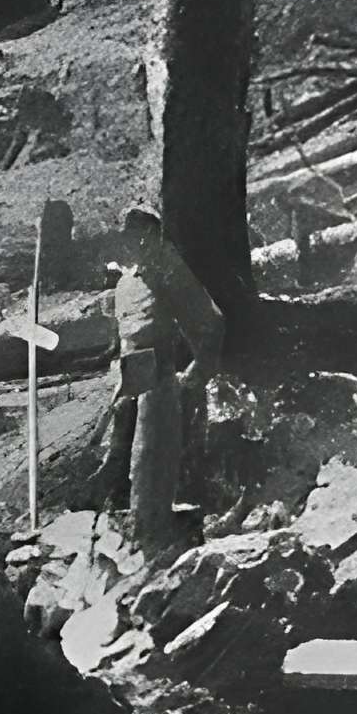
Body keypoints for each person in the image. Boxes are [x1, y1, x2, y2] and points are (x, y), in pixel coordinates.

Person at [101, 206, 225, 552]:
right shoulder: (128, 280)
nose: (135, 242)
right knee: (117, 463)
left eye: (142, 234)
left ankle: (154, 545)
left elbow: (209, 321)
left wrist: (199, 371)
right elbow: (123, 335)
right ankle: (129, 538)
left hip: (158, 377)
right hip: (129, 379)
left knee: (152, 463)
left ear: (154, 235)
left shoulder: (169, 270)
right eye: (130, 236)